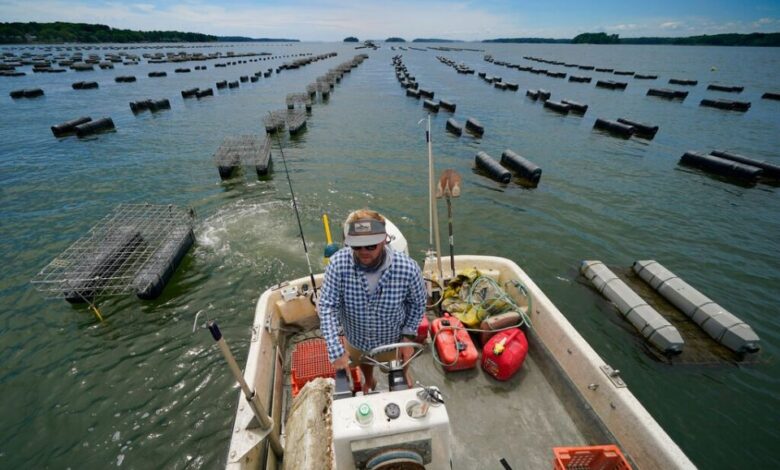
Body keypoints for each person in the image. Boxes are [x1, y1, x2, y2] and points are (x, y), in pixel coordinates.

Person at [318, 209, 426, 393]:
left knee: (398, 368)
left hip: (393, 340)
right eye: (356, 247)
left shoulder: (408, 268)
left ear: (384, 240)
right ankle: (369, 380)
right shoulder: (337, 264)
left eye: (370, 246)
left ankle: (404, 372)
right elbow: (327, 306)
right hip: (356, 339)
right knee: (364, 363)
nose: (363, 252)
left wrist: (407, 337)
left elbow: (417, 303)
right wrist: (336, 351)